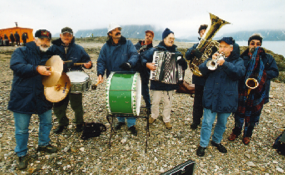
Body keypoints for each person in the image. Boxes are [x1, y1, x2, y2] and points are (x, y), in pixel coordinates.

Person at [8, 29, 57, 170]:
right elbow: (16, 66)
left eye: (47, 40)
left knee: (47, 122)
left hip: (43, 95)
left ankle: (43, 144)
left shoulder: (50, 55)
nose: (45, 42)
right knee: (22, 129)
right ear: (35, 40)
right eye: (42, 39)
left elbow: (57, 69)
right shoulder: (21, 51)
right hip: (23, 95)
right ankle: (22, 153)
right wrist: (36, 69)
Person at [196, 37, 245, 157]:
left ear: (231, 48)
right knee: (207, 122)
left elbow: (239, 73)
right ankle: (203, 144)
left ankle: (216, 140)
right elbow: (201, 70)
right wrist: (210, 61)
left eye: (225, 47)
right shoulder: (214, 56)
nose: (222, 49)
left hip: (226, 97)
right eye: (221, 46)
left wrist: (225, 64)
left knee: (222, 123)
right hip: (211, 95)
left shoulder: (238, 60)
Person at [228, 33, 279, 145]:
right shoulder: (243, 57)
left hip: (259, 92)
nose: (255, 46)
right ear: (248, 44)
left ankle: (247, 135)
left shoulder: (267, 58)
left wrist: (260, 76)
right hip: (242, 91)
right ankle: (236, 131)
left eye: (258, 44)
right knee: (239, 113)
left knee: (253, 115)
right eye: (252, 43)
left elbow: (275, 72)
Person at [97, 23, 139, 136]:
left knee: (129, 98)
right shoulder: (106, 47)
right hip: (113, 78)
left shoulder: (128, 43)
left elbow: (135, 54)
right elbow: (101, 61)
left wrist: (129, 63)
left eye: (118, 29)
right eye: (115, 30)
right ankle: (120, 120)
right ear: (110, 34)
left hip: (127, 77)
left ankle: (131, 124)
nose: (118, 31)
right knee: (116, 98)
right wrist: (100, 73)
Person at [141, 28, 188, 130]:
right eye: (170, 38)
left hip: (170, 83)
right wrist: (147, 64)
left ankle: (166, 119)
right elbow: (142, 58)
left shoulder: (177, 53)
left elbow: (184, 67)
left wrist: (183, 63)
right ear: (164, 38)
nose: (172, 40)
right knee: (155, 101)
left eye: (173, 38)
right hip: (157, 82)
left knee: (168, 102)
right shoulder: (155, 50)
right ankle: (154, 115)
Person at [49, 27, 92, 134]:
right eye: (64, 35)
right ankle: (62, 123)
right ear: (60, 36)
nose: (66, 37)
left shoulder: (79, 49)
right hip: (59, 80)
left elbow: (87, 61)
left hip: (74, 80)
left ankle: (79, 123)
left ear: (72, 36)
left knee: (76, 104)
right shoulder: (53, 48)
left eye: (69, 35)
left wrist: (88, 65)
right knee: (58, 104)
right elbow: (44, 61)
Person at [186, 24, 215, 130]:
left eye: (206, 31)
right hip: (198, 77)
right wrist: (193, 52)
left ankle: (208, 121)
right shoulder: (196, 45)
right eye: (202, 32)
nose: (204, 33)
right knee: (197, 101)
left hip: (210, 77)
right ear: (199, 34)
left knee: (208, 100)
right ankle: (196, 121)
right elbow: (187, 56)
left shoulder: (214, 46)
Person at [134, 30, 155, 114]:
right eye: (147, 35)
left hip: (144, 72)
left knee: (144, 90)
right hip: (135, 70)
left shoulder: (152, 50)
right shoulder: (137, 46)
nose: (148, 37)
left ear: (152, 38)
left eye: (150, 36)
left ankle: (148, 106)